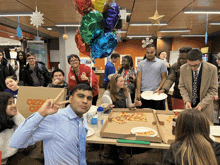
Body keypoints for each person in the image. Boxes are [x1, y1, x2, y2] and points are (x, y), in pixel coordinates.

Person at [9, 84, 93, 165]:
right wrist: (40, 114)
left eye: (89, 98)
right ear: (70, 99)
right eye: (81, 96)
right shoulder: (54, 117)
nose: (85, 101)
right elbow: (15, 143)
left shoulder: (82, 119)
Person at [101, 74, 141, 159]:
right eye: (121, 81)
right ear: (115, 83)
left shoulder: (126, 91)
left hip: (123, 117)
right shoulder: (107, 93)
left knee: (126, 132)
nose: (124, 83)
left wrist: (135, 104)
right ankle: (107, 149)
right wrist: (108, 106)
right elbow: (102, 109)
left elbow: (129, 105)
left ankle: (123, 150)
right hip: (112, 118)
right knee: (110, 134)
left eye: (123, 81)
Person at [179, 49, 218, 122]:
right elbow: (182, 87)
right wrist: (187, 101)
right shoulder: (183, 68)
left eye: (195, 65)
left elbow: (213, 90)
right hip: (189, 108)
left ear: (201, 60)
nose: (193, 68)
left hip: (205, 108)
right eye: (190, 65)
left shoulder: (212, 69)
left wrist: (201, 105)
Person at [137, 44, 167, 110]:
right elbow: (139, 78)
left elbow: (164, 78)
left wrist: (159, 88)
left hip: (157, 93)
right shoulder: (141, 64)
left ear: (155, 51)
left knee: (158, 113)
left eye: (151, 52)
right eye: (147, 52)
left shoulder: (161, 63)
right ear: (145, 52)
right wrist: (138, 92)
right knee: (144, 114)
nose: (149, 54)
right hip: (144, 93)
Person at [0, 92, 25, 165]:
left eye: (14, 102)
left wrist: (16, 115)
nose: (14, 105)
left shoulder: (12, 122)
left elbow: (27, 129)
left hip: (10, 159)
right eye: (10, 103)